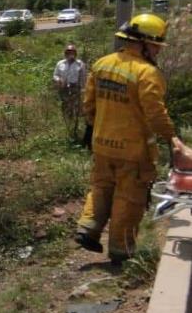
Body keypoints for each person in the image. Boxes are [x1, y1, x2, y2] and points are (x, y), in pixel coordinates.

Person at [75, 14, 189, 263]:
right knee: (130, 197)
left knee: (101, 187)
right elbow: (155, 113)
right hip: (133, 150)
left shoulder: (102, 64)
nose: (158, 50)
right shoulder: (147, 73)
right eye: (156, 44)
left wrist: (96, 128)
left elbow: (88, 104)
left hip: (102, 144)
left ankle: (88, 229)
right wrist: (173, 139)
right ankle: (120, 250)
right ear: (144, 43)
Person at [53, 44, 87, 133]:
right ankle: (67, 122)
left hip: (75, 88)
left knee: (76, 106)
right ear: (65, 53)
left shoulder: (80, 64)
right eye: (68, 52)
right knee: (65, 104)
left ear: (75, 54)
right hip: (63, 88)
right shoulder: (60, 63)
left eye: (72, 52)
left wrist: (83, 89)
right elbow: (55, 75)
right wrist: (58, 79)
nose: (70, 54)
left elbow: (83, 77)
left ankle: (75, 125)